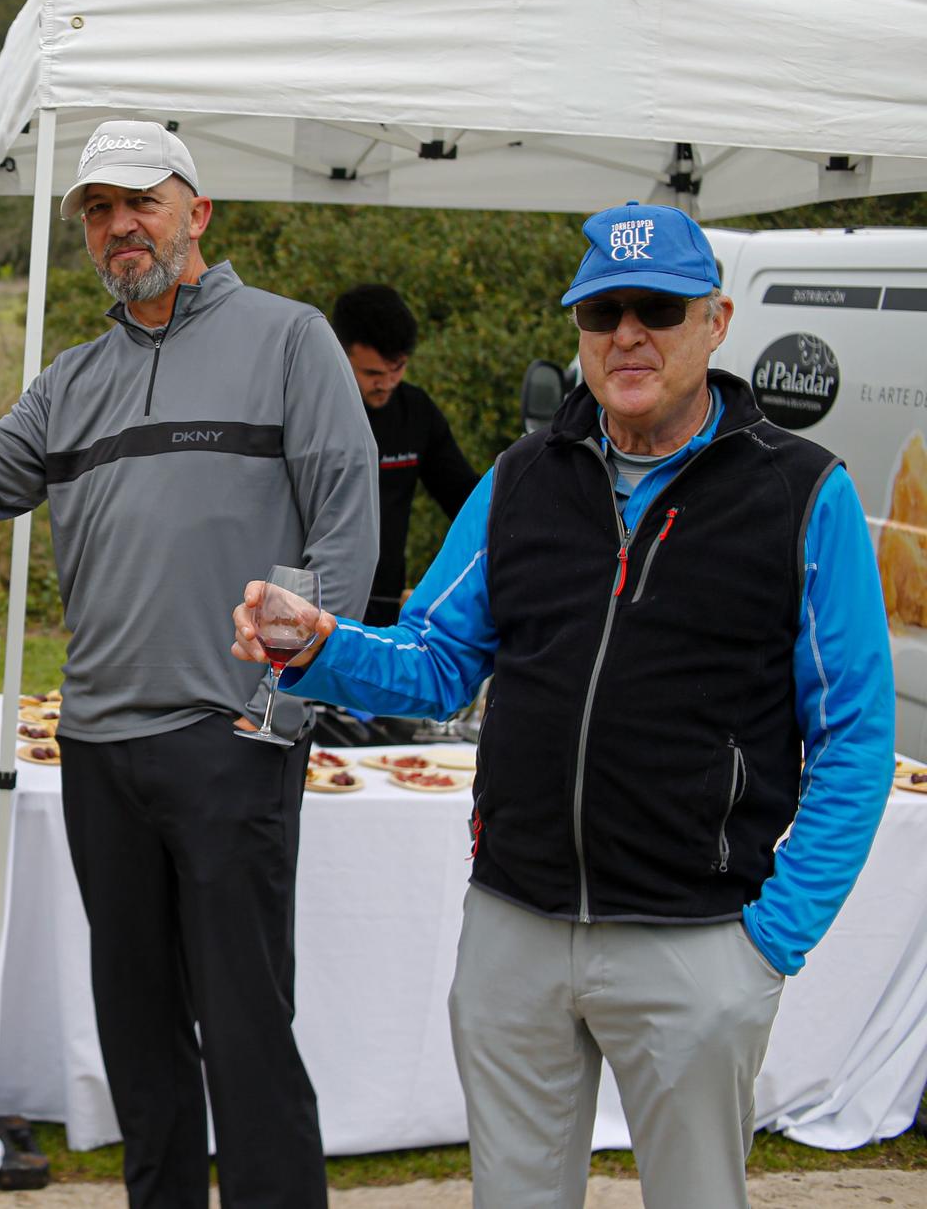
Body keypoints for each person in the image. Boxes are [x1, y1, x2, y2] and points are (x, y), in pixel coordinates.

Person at [234, 203, 895, 1209]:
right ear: (576, 332)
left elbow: (853, 736)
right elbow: (434, 658)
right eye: (599, 312)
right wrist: (318, 647)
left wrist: (770, 939)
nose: (625, 333)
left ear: (713, 320)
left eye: (655, 308)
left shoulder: (803, 494)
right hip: (515, 926)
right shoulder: (518, 479)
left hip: (698, 936)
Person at [0, 119, 377, 1209]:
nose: (116, 226)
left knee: (244, 1030)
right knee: (138, 1039)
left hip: (229, 739)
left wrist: (287, 704)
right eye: (96, 211)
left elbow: (344, 522)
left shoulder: (288, 339)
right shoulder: (73, 378)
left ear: (195, 212)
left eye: (137, 201)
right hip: (102, 747)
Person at [329, 284, 479, 623]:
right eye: (372, 374)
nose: (387, 383)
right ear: (339, 353)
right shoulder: (309, 409)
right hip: (309, 603)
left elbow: (467, 500)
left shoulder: (416, 412)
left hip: (383, 609)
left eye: (397, 369)